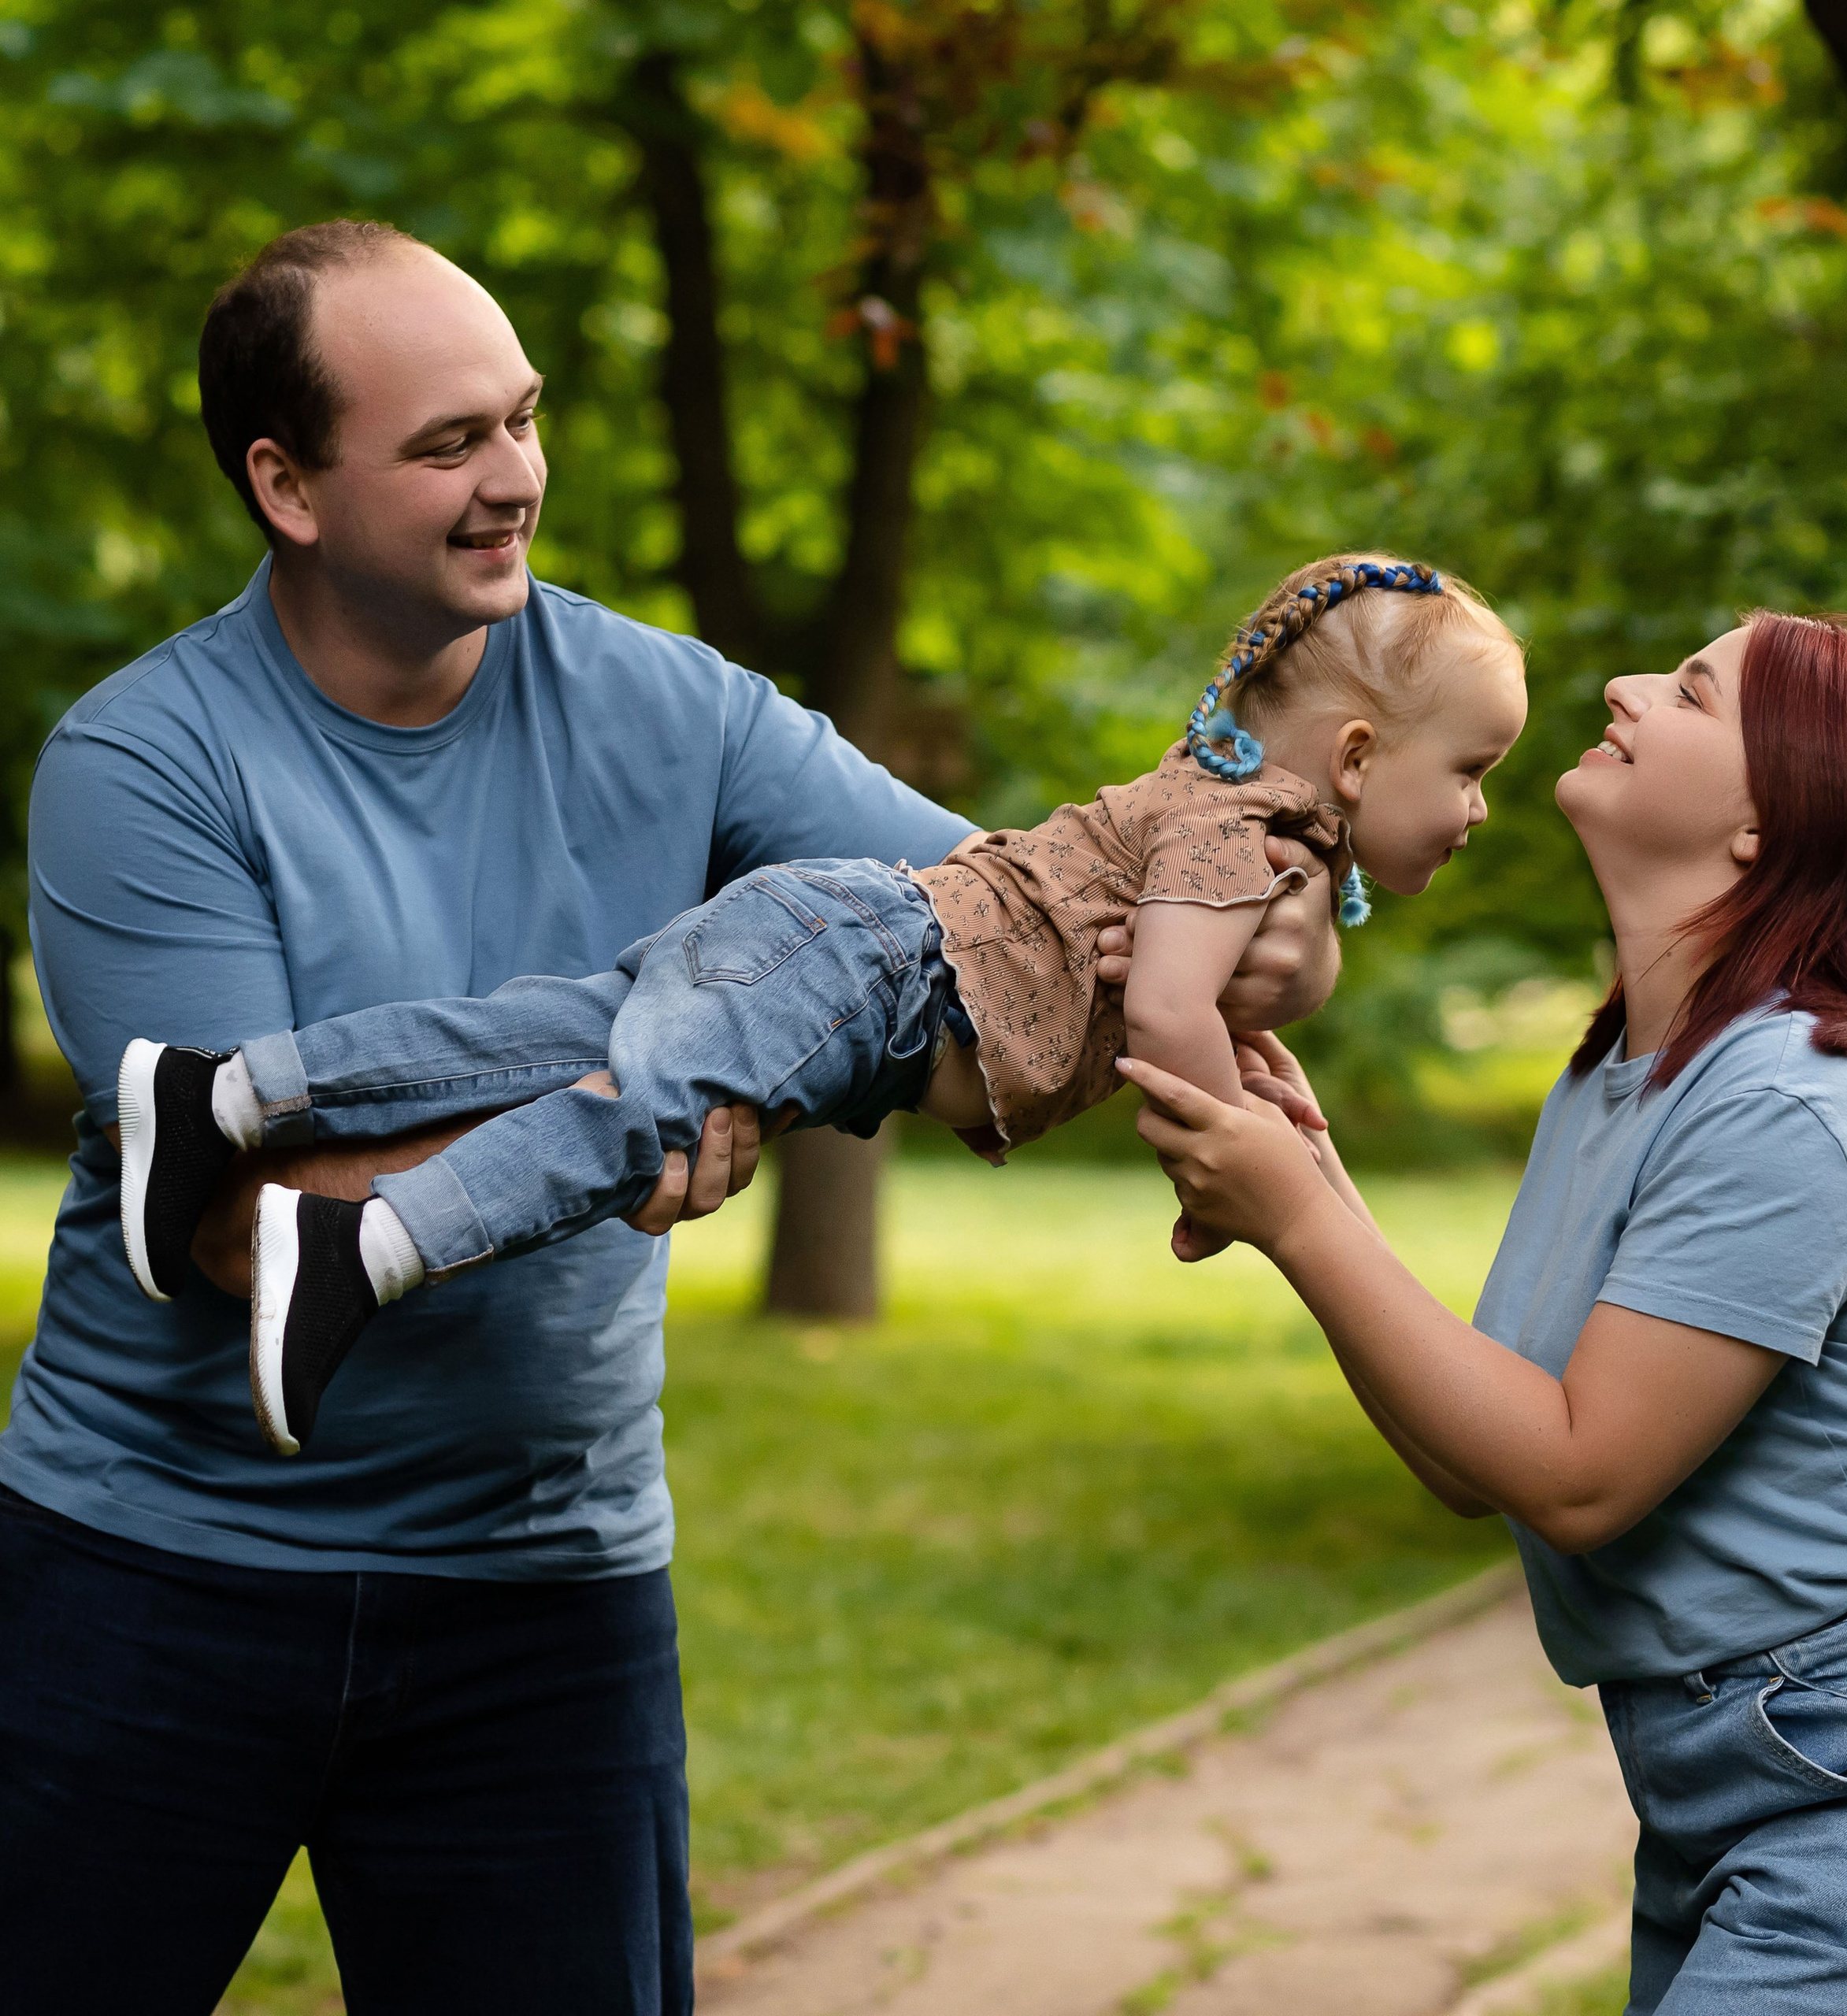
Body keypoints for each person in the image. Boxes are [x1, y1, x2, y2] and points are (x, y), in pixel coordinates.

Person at [0, 217, 1342, 2016]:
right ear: (285, 482)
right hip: (157, 1571)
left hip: (542, 1586)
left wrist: (1249, 897)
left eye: (525, 420)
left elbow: (988, 945)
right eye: (448, 444)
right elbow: (249, 1212)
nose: (515, 481)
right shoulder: (145, 761)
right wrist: (678, 1087)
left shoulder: (671, 707)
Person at [117, 553, 1526, 1457]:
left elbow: (1213, 980)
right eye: (1471, 770)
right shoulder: (1242, 835)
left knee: (549, 1032)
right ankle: (363, 1253)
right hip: (864, 972)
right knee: (639, 1117)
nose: (1476, 810)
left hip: (844, 945)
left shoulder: (1226, 814)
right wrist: (1240, 1176)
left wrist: (1258, 1039)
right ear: (1353, 754)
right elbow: (1164, 1016)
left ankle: (227, 1092)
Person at [1125, 612, 1847, 2011]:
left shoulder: (1796, 1101)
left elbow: (1582, 1476)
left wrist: (1292, 1213)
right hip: (1742, 1783)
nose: (1622, 686)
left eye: (1693, 691)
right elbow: (1482, 1463)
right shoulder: (1630, 1074)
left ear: (1768, 825)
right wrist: (1320, 1193)